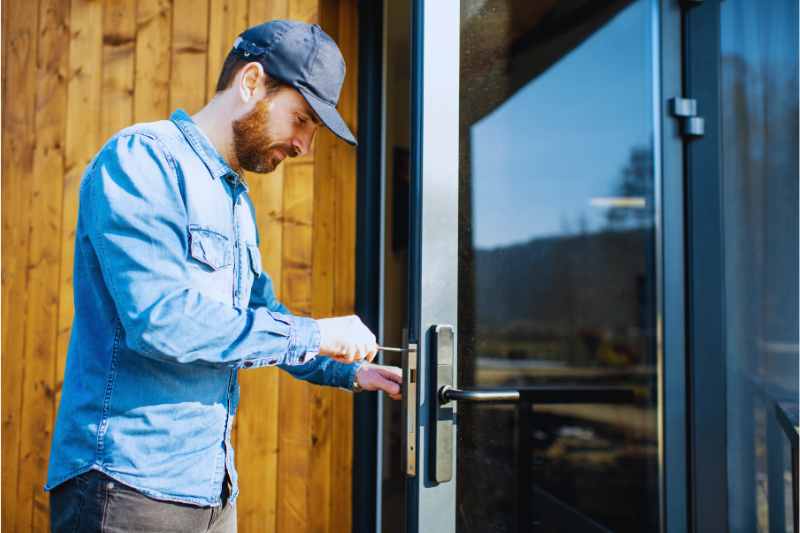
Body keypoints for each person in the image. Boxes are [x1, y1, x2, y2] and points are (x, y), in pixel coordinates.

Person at [45, 20, 401, 532]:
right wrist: (318, 334)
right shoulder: (144, 159)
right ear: (251, 82)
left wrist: (347, 369)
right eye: (300, 119)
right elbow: (162, 321)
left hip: (212, 490)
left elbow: (260, 320)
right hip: (125, 490)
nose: (304, 144)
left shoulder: (235, 201)